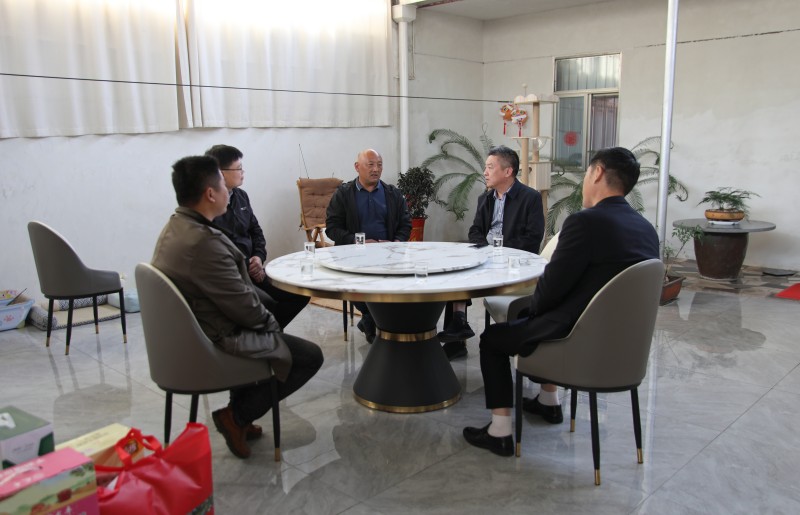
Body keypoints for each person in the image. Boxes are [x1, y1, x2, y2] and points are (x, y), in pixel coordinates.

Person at [463, 147, 659, 457]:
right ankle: (548, 402)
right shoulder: (646, 229)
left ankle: (499, 431)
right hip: (624, 348)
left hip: (577, 340)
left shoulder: (585, 223)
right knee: (529, 314)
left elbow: (550, 290)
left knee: (494, 338)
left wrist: (530, 312)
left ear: (597, 173)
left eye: (587, 174)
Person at [152, 155, 324, 459]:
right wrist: (272, 327)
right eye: (222, 185)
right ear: (210, 193)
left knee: (273, 312)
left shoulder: (177, 226)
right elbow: (244, 308)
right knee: (308, 355)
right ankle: (236, 416)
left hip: (191, 333)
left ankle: (241, 412)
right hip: (214, 339)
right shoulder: (203, 244)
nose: (228, 192)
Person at [438, 145, 544, 360]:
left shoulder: (530, 198)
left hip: (513, 263)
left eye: (490, 167)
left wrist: (501, 251)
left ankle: (458, 328)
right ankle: (458, 330)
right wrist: (485, 250)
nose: (485, 172)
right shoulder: (485, 198)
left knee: (464, 271)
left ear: (508, 171)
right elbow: (475, 231)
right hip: (487, 256)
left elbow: (533, 238)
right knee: (456, 269)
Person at [205, 144, 310, 330]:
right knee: (267, 303)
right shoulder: (209, 206)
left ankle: (269, 333)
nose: (243, 172)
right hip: (234, 277)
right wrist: (249, 265)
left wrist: (259, 257)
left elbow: (256, 232)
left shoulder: (241, 196)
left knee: (300, 293)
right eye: (238, 168)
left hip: (254, 269)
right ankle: (266, 333)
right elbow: (219, 248)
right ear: (220, 173)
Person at [325, 149, 412, 343]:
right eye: (370, 165)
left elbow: (405, 224)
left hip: (388, 255)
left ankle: (373, 319)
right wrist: (360, 242)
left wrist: (396, 244)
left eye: (379, 165)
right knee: (356, 284)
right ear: (357, 167)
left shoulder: (392, 193)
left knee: (405, 284)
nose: (376, 169)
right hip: (354, 255)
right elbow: (332, 228)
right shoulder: (344, 194)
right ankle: (371, 317)